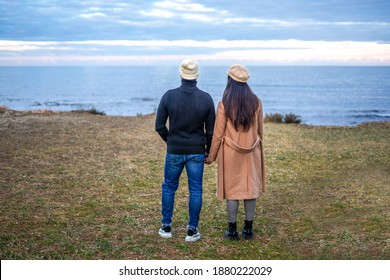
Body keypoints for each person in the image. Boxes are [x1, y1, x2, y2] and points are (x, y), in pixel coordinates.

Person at [155, 58, 215, 242]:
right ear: (196, 76)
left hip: (174, 150)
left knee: (169, 187)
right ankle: (192, 230)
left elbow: (159, 126)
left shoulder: (169, 96)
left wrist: (171, 140)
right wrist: (209, 149)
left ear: (181, 74)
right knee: (195, 190)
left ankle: (166, 227)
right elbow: (210, 130)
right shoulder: (206, 98)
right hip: (196, 151)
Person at [205, 64, 266, 240]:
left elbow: (218, 134)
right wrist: (258, 146)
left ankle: (232, 230)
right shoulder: (257, 102)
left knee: (232, 191)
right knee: (250, 189)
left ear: (229, 81)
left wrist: (211, 156)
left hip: (230, 154)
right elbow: (260, 131)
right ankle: (248, 229)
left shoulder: (224, 103)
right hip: (252, 151)